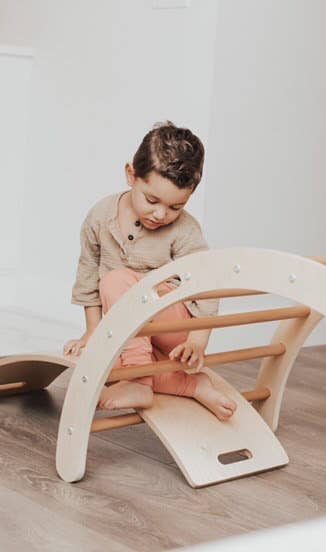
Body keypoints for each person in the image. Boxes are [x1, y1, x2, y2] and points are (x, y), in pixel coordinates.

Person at [64, 122, 237, 421]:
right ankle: (193, 386)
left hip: (171, 327)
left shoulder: (185, 231)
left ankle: (139, 381)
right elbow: (88, 273)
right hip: (132, 332)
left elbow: (205, 285)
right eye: (152, 200)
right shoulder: (100, 216)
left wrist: (197, 342)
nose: (160, 214)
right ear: (131, 175)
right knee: (101, 364)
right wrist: (93, 330)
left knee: (116, 280)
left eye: (175, 207)